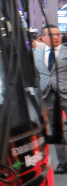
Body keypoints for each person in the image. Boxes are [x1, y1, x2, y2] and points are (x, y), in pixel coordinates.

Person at [34, 25, 67, 173]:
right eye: (51, 35)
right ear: (43, 38)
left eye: (58, 34)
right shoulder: (36, 55)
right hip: (47, 96)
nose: (56, 37)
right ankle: (63, 162)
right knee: (56, 132)